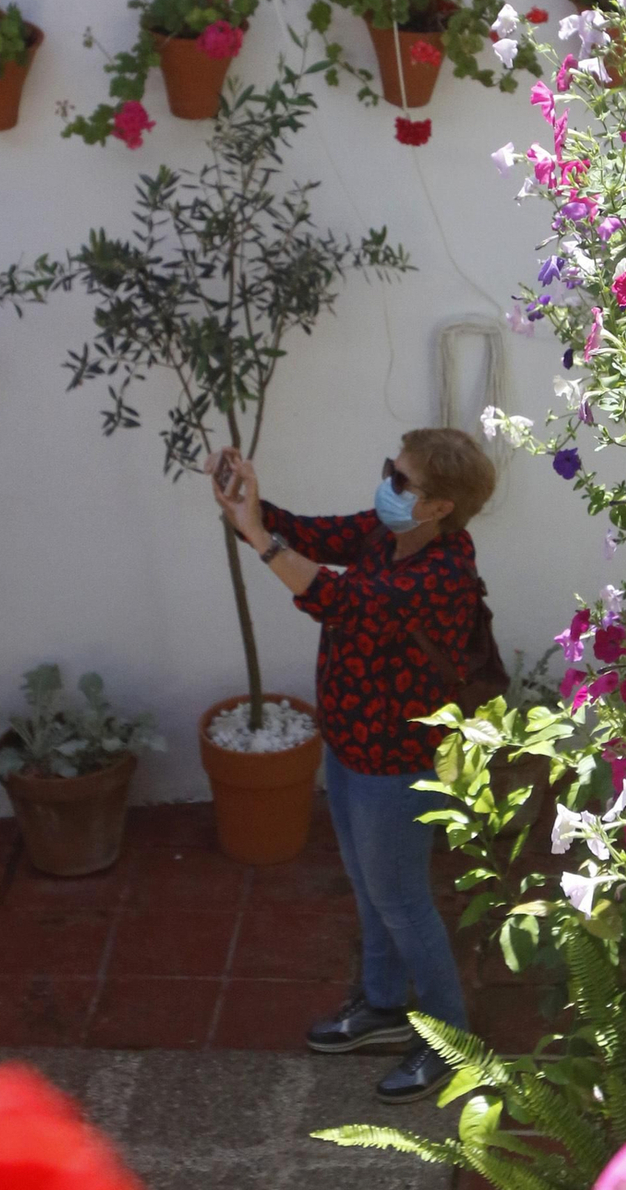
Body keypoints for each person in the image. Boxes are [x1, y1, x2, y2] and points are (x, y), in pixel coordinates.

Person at [210, 428, 497, 1103]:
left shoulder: (442, 575)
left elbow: (334, 600)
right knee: (370, 892)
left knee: (403, 900)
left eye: (402, 482)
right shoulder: (386, 533)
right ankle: (383, 1008)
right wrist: (249, 505)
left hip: (395, 761)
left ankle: (452, 1043)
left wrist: (257, 538)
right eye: (389, 472)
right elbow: (314, 535)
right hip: (348, 742)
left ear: (438, 507)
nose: (387, 486)